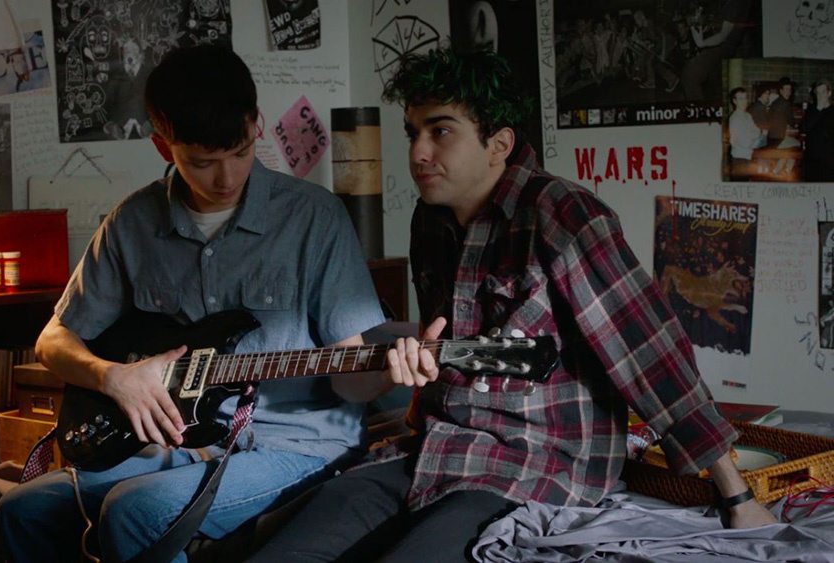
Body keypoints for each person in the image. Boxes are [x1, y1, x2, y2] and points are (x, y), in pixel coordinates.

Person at [250, 46, 777, 563]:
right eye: (413, 133)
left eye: (440, 131)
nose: (418, 153)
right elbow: (441, 347)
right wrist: (409, 367)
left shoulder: (564, 215)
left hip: (533, 465)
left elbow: (649, 354)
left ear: (499, 143)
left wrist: (737, 497)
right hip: (432, 449)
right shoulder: (429, 220)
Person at [0, 44, 389, 563]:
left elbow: (353, 375)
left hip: (297, 444)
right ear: (163, 147)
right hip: (183, 441)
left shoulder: (315, 218)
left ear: (256, 123)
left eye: (240, 152)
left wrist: (395, 370)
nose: (227, 179)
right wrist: (112, 378)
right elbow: (53, 341)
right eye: (202, 163)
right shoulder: (132, 223)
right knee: (21, 510)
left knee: (134, 510)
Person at [726, 87, 765, 179]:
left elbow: (757, 131)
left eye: (745, 98)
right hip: (739, 159)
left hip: (749, 156)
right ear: (734, 101)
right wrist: (756, 137)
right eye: (740, 99)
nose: (744, 101)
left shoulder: (748, 116)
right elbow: (745, 142)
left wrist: (753, 135)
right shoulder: (735, 119)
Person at [802, 79, 834, 182]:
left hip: (829, 160)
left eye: (823, 92)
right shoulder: (812, 110)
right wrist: (818, 109)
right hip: (812, 158)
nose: (820, 96)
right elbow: (804, 128)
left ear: (829, 93)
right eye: (818, 93)